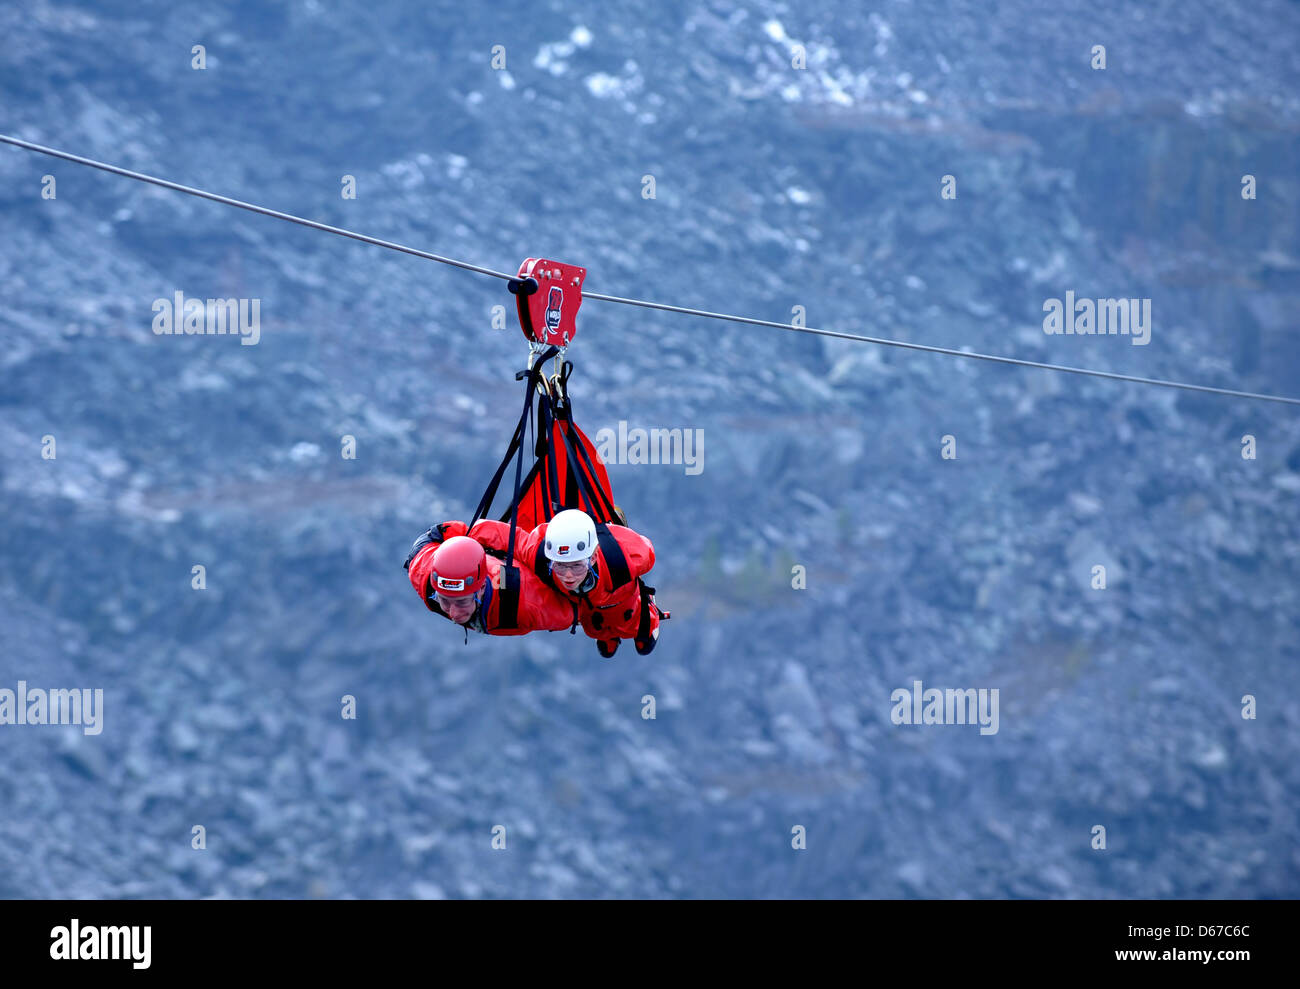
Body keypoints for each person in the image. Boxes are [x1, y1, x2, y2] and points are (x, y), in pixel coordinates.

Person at [467, 509, 666, 657]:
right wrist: (460, 535)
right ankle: (606, 636)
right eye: (561, 566)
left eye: (577, 566)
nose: (568, 576)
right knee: (594, 628)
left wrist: (614, 531)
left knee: (632, 627)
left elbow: (646, 550)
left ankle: (650, 617)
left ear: (594, 557)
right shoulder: (540, 556)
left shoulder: (620, 560)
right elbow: (509, 538)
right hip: (586, 607)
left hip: (622, 601)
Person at [403, 525, 577, 637]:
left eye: (462, 602)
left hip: (529, 566)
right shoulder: (425, 577)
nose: (453, 613)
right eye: (444, 601)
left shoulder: (527, 604)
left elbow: (575, 612)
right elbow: (435, 535)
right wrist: (463, 539)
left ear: (481, 588)